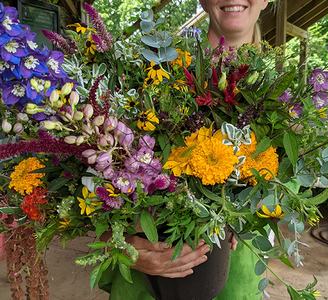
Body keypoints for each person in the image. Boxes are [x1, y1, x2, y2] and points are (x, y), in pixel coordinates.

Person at [99, 1, 270, 299]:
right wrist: (121, 243)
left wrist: (245, 215)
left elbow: (289, 190)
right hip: (145, 285)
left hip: (236, 280)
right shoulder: (156, 72)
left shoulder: (285, 93)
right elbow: (95, 180)